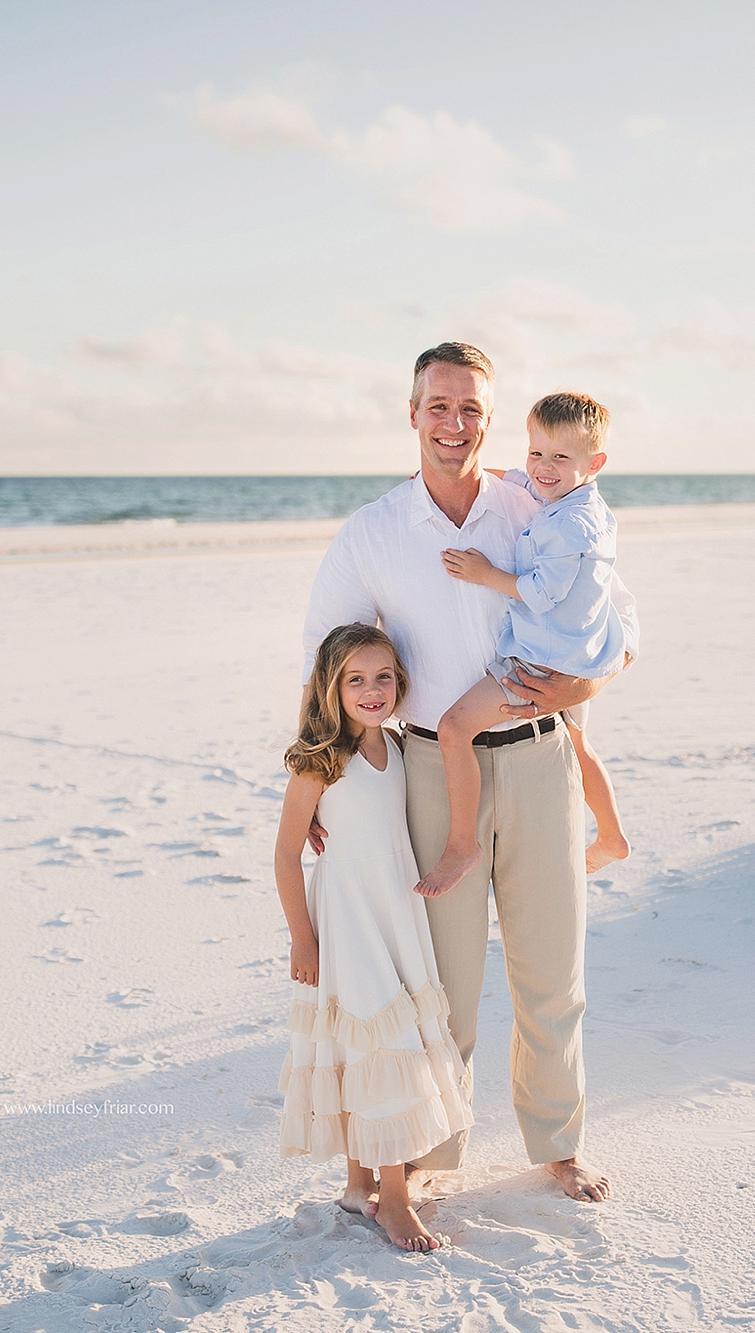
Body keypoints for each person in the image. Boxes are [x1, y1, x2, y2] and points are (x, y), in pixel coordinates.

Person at [300, 343, 637, 1203]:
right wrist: (316, 784)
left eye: (472, 410)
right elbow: (325, 663)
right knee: (444, 983)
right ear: (412, 413)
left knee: (550, 971)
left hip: (540, 760)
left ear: (490, 418)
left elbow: (620, 626)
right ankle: (429, 1154)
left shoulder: (539, 503)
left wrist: (580, 684)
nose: (456, 424)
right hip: (425, 768)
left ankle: (558, 1145)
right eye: (438, 406)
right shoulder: (373, 531)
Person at [274, 622, 470, 1252]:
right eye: (355, 679)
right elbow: (283, 855)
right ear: (331, 688)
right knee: (377, 1041)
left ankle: (360, 1185)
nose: (372, 689)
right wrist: (303, 940)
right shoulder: (319, 761)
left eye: (383, 676)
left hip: (395, 911)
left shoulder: (401, 747)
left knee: (368, 1043)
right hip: (347, 919)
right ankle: (393, 1199)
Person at [418, 391, 629, 899]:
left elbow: (541, 592)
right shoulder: (580, 502)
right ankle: (613, 835)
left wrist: (485, 573)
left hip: (543, 659)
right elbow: (521, 479)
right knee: (577, 743)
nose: (543, 468)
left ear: (594, 463)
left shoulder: (569, 524)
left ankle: (461, 843)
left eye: (560, 457)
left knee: (452, 728)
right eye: (537, 453)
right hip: (581, 648)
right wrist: (465, 474)